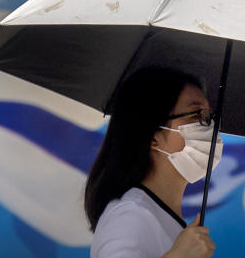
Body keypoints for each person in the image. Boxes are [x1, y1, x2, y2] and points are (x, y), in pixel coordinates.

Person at [86, 67, 220, 258]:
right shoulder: (131, 215)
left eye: (208, 117)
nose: (209, 127)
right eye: (196, 115)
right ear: (153, 136)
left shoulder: (162, 218)